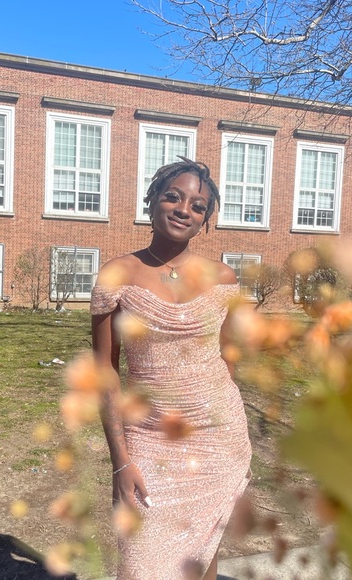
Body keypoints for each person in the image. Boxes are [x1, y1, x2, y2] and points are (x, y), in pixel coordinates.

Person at [91, 157, 252, 580]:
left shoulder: (222, 277)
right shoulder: (117, 273)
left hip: (218, 439)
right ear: (152, 201)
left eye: (198, 206)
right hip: (148, 437)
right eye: (173, 197)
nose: (184, 210)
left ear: (205, 220)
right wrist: (121, 462)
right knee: (140, 560)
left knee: (203, 548)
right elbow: (105, 371)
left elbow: (229, 357)